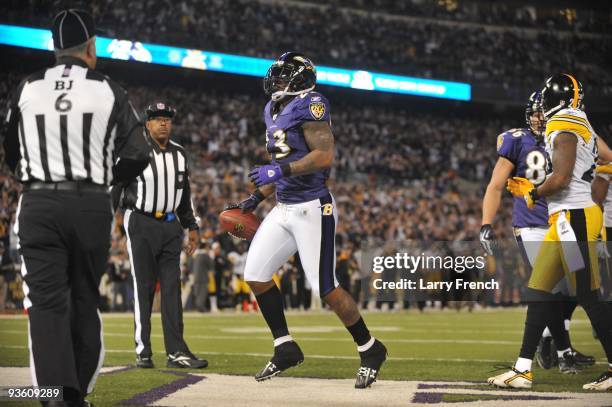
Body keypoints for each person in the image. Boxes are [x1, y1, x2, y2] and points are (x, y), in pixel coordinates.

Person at [1, 9, 149, 406]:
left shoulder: (27, 86)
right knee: (85, 298)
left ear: (54, 48)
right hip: (91, 204)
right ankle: (77, 394)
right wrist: (108, 177)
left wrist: (38, 179)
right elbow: (138, 153)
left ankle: (55, 397)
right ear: (92, 47)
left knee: (47, 305)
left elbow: (11, 152)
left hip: (40, 202)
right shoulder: (108, 88)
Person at [233, 52, 387, 388]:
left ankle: (370, 348)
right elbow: (286, 164)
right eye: (275, 74)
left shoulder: (312, 102)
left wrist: (279, 169)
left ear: (301, 79)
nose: (275, 81)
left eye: (283, 75)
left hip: (312, 207)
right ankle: (284, 346)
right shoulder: (271, 109)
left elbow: (323, 155)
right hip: (284, 206)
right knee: (256, 275)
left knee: (325, 288)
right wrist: (258, 197)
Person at [498, 74, 612, 391]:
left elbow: (560, 178)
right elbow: (604, 161)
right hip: (566, 218)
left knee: (588, 294)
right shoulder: (580, 121)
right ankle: (522, 369)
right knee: (539, 289)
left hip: (574, 218)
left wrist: (533, 193)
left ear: (556, 100)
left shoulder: (562, 124)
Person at [481, 91, 593, 385]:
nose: (540, 118)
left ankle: (547, 338)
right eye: (536, 113)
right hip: (532, 223)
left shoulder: (565, 134)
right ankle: (564, 350)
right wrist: (486, 223)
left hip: (564, 220)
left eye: (544, 112)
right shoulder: (516, 140)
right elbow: (495, 185)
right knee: (550, 288)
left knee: (576, 286)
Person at [113, 102, 206, 369]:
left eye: (167, 119)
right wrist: (108, 222)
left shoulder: (180, 153)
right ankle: (143, 350)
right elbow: (117, 187)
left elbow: (183, 194)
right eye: (157, 119)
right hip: (140, 222)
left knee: (172, 289)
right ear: (147, 124)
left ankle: (177, 351)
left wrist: (192, 226)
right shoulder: (133, 152)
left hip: (169, 225)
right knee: (143, 287)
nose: (163, 123)